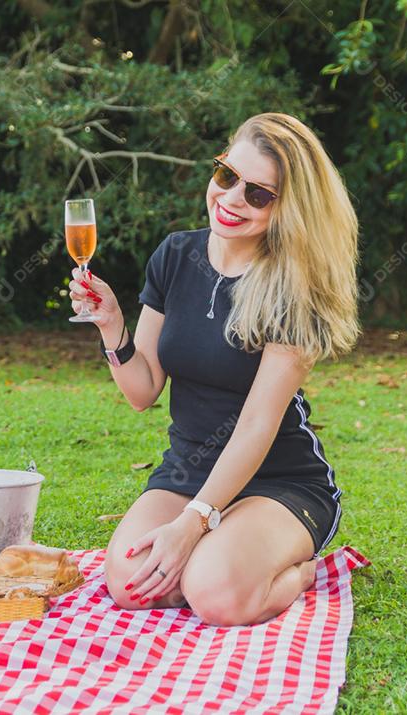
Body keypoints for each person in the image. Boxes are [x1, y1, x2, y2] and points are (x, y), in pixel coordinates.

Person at [69, 113, 360, 626]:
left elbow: (256, 426)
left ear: (288, 208)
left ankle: (301, 572)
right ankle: (222, 553)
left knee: (215, 595)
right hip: (189, 469)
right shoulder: (175, 255)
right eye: (227, 176)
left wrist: (194, 522)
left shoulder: (295, 289)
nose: (231, 199)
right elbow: (143, 391)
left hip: (280, 480)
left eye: (258, 195)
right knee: (130, 583)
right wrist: (111, 324)